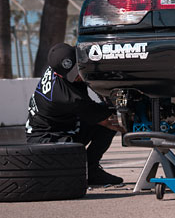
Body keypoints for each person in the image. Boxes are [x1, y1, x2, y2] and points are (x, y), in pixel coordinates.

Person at [25, 43, 126, 185]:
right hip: (45, 138)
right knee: (109, 123)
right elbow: (110, 121)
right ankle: (85, 171)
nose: (78, 75)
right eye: (72, 75)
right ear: (58, 73)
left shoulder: (60, 63)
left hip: (69, 124)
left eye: (77, 69)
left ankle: (92, 171)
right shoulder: (67, 97)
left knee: (106, 113)